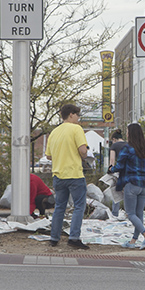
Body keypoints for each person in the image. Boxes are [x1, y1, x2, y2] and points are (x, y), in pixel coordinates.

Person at [45, 104, 89, 249]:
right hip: (74, 174)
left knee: (59, 207)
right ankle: (74, 238)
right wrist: (84, 155)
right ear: (71, 114)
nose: (78, 118)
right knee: (78, 206)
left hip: (58, 174)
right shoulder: (76, 129)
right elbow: (83, 150)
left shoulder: (54, 132)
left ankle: (54, 238)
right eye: (78, 115)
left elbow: (49, 156)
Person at [111, 123, 145, 249]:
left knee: (130, 214)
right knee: (138, 214)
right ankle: (133, 241)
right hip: (144, 184)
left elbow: (119, 166)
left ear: (131, 134)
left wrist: (111, 169)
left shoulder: (127, 148)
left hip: (132, 184)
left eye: (128, 132)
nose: (127, 134)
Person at [108, 129, 127, 215]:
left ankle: (115, 213)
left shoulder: (114, 146)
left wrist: (110, 170)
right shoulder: (129, 145)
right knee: (128, 193)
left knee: (116, 193)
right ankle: (128, 213)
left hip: (119, 172)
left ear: (114, 139)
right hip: (130, 172)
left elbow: (112, 161)